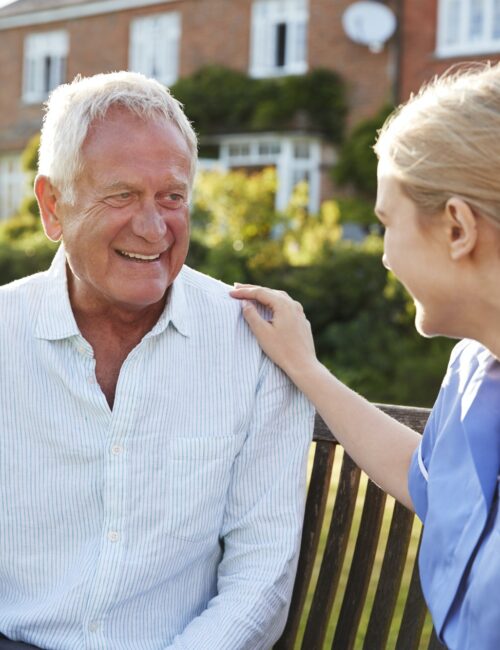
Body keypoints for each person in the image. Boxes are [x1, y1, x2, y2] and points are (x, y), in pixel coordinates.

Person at [0, 71, 314, 650]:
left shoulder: (253, 344)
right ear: (52, 205)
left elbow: (261, 577)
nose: (152, 227)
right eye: (120, 195)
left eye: (171, 197)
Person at [231, 62, 500, 650]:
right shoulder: (474, 369)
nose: (383, 256)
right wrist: (305, 368)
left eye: (386, 223)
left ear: (457, 226)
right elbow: (426, 478)